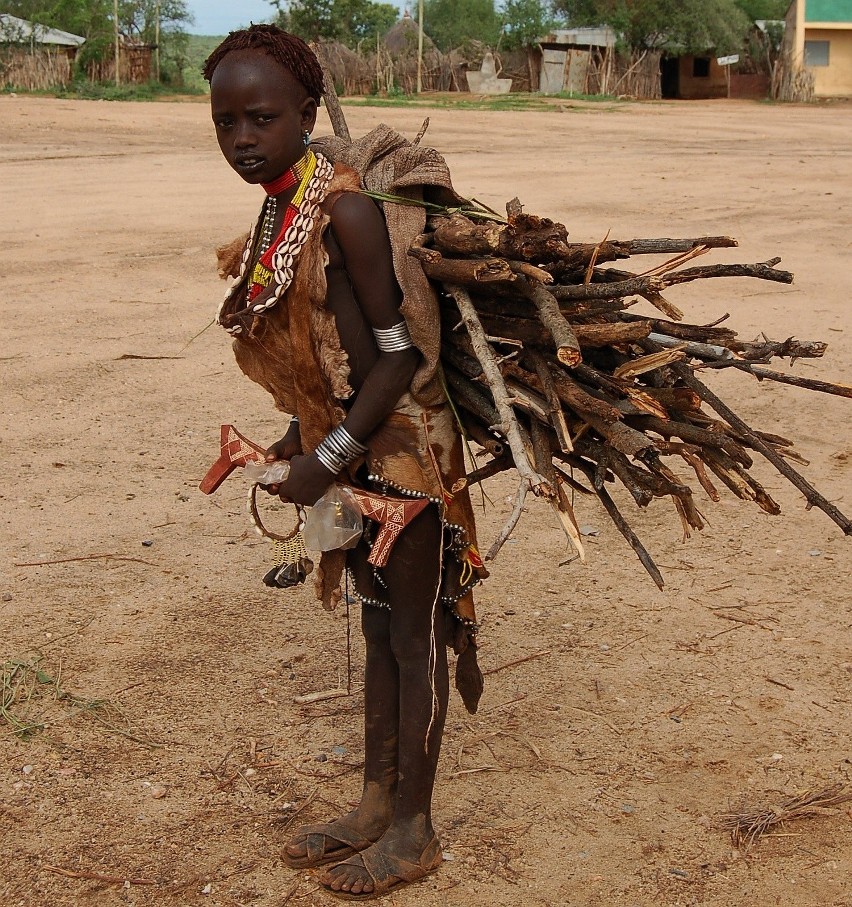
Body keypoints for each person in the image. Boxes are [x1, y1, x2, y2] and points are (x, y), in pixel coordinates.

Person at [203, 25, 487, 899]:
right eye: (225, 123)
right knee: (372, 624)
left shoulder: (349, 212)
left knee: (414, 633)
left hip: (402, 452)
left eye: (261, 118)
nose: (242, 139)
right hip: (349, 446)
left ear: (303, 113)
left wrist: (323, 457)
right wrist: (305, 440)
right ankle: (373, 805)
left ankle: (415, 829)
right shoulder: (280, 212)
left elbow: (397, 359)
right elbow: (326, 350)